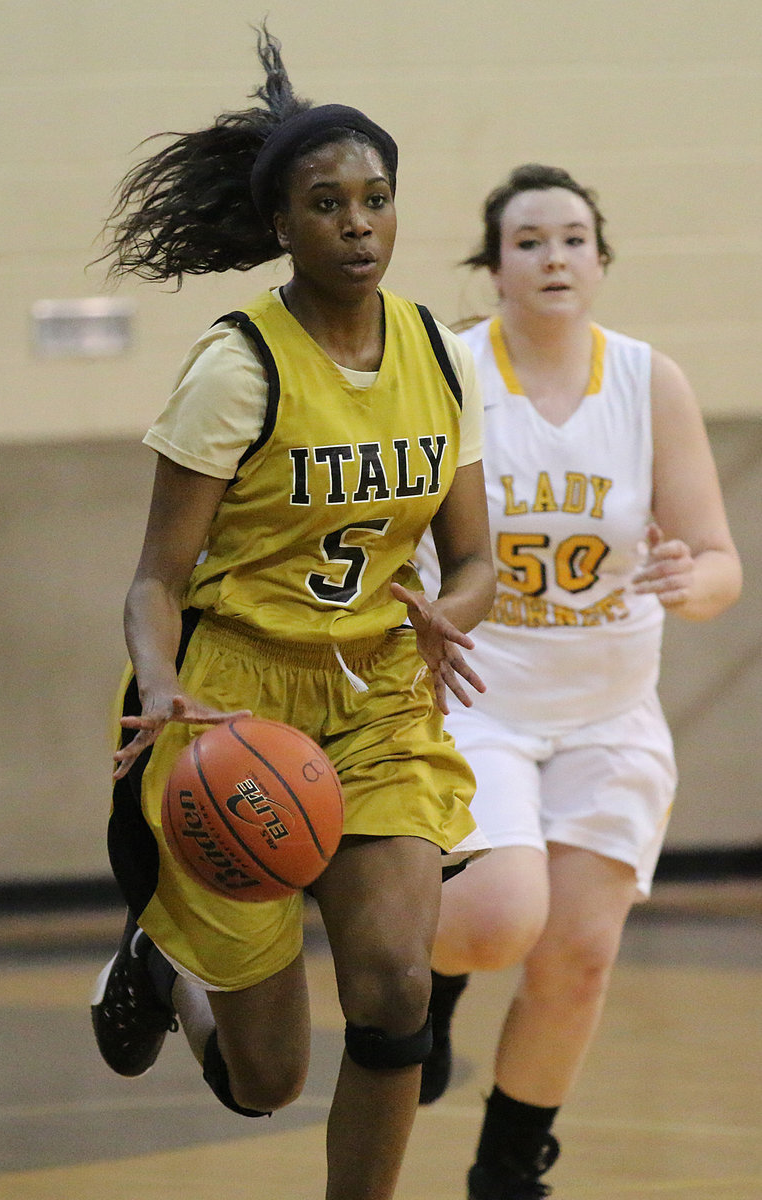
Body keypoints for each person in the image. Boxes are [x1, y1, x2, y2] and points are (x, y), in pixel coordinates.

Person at [88, 27, 496, 1200]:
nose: (358, 223)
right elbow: (155, 580)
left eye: (376, 199)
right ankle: (168, 969)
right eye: (327, 203)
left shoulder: (437, 351)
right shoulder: (237, 370)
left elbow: (475, 562)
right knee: (265, 1079)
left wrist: (445, 612)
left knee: (397, 987)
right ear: (283, 227)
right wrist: (160, 688)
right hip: (234, 708)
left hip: (375, 700)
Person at [415, 163, 742, 1199]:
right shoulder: (452, 373)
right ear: (495, 266)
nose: (554, 256)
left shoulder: (652, 380)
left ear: (599, 262)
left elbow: (721, 563)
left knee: (580, 958)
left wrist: (692, 580)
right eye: (529, 241)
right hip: (482, 699)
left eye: (572, 238)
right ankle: (426, 983)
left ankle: (510, 1166)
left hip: (610, 710)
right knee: (495, 921)